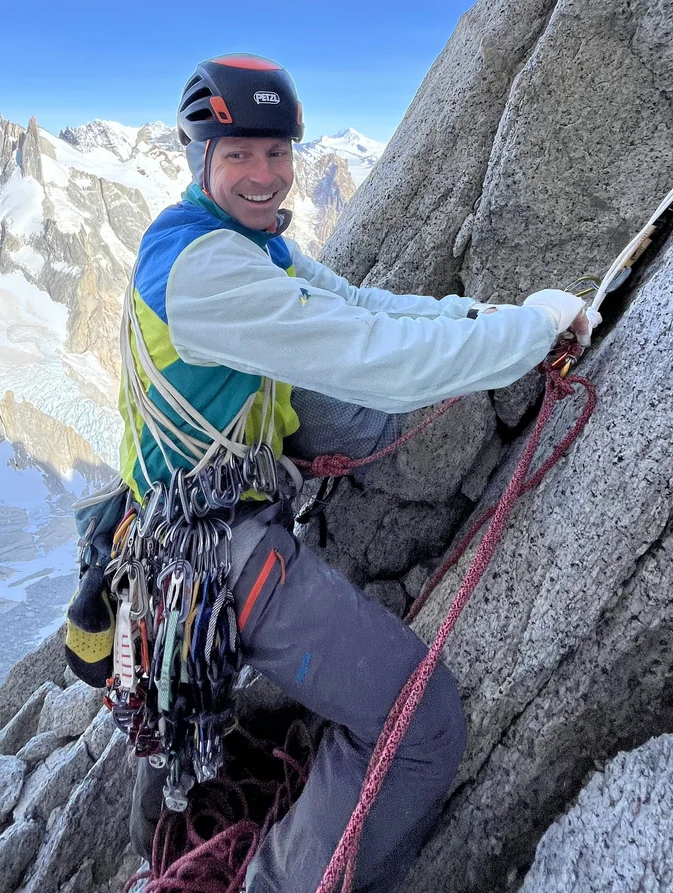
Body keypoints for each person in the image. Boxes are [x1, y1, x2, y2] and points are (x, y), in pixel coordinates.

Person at [122, 53, 596, 893]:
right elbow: (374, 355)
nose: (266, 176)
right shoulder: (206, 274)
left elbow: (363, 307)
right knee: (421, 722)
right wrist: (525, 340)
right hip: (209, 549)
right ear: (199, 158)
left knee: (357, 408)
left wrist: (498, 317)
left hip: (197, 524)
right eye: (240, 155)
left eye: (278, 153)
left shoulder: (241, 244)